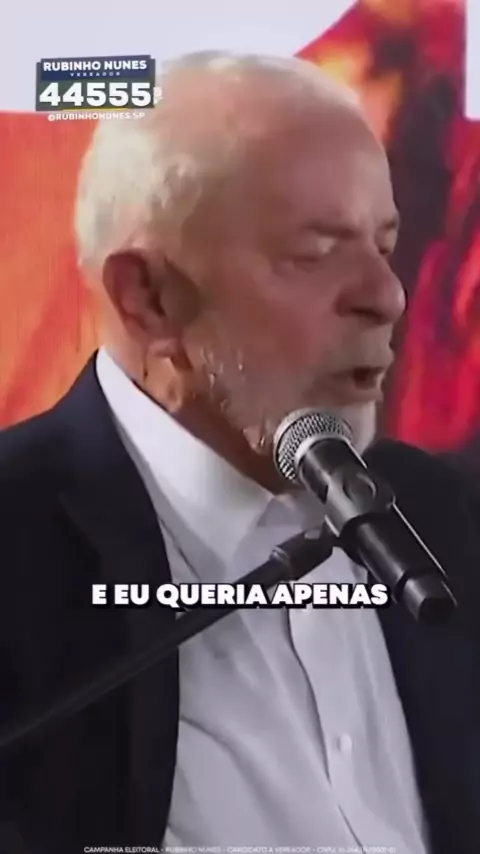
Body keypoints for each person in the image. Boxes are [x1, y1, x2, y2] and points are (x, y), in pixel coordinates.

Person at [0, 51, 479, 854]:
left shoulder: (444, 517)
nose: (386, 295)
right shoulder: (14, 542)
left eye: (385, 245)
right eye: (315, 253)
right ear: (149, 299)